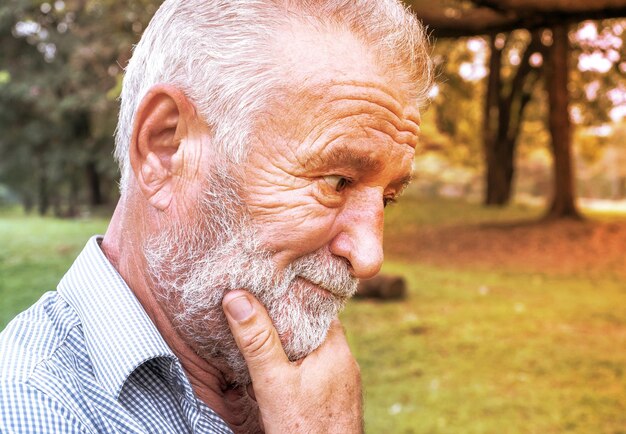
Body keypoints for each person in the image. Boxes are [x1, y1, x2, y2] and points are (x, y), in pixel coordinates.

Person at [0, 1, 433, 432]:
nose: (370, 256)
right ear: (166, 149)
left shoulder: (302, 393)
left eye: (387, 199)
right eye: (337, 181)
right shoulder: (29, 407)